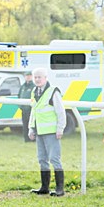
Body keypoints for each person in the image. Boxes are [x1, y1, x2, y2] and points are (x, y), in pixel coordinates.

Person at [28, 67, 66, 196]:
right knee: (42, 159)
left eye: (40, 77)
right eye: (35, 77)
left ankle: (60, 189)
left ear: (46, 78)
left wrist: (60, 128)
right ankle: (45, 187)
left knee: (54, 159)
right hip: (39, 131)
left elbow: (61, 111)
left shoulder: (53, 91)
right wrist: (31, 128)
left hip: (51, 132)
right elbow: (34, 111)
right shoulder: (34, 91)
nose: (37, 79)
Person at [18, 72, 36, 142]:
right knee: (25, 125)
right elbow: (19, 96)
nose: (28, 77)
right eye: (26, 76)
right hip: (24, 110)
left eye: (29, 76)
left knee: (31, 125)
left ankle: (33, 139)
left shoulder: (33, 87)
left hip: (30, 109)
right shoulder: (22, 86)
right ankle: (26, 139)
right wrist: (20, 106)